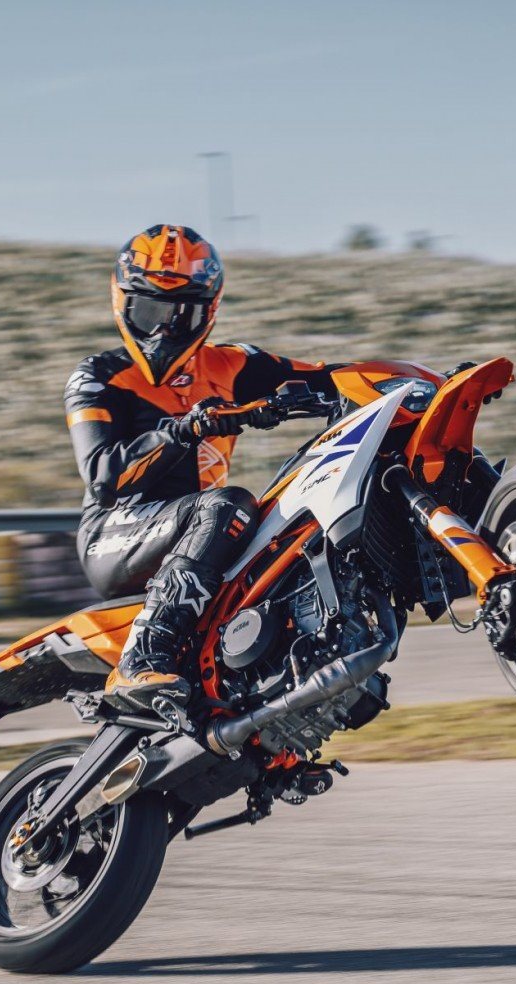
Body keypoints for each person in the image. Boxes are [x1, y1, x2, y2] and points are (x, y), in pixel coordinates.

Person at [67, 224, 343, 715]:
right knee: (232, 504)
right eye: (150, 312)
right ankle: (141, 657)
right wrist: (185, 429)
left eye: (182, 316)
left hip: (199, 534)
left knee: (285, 520)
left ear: (207, 313)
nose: (163, 330)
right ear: (122, 303)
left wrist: (427, 382)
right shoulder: (98, 376)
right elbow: (104, 477)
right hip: (112, 535)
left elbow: (332, 376)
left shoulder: (232, 365)